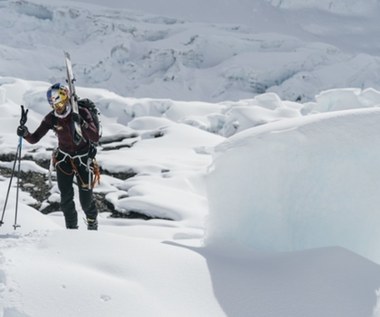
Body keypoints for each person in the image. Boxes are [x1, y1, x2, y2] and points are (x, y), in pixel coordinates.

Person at [17, 83, 100, 230]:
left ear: (66, 97)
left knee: (86, 201)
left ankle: (92, 227)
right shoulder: (52, 118)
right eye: (54, 104)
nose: (58, 107)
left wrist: (81, 123)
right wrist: (25, 133)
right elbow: (35, 138)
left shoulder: (81, 112)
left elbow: (94, 136)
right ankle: (71, 230)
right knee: (66, 199)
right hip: (63, 159)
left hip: (83, 160)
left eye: (60, 102)